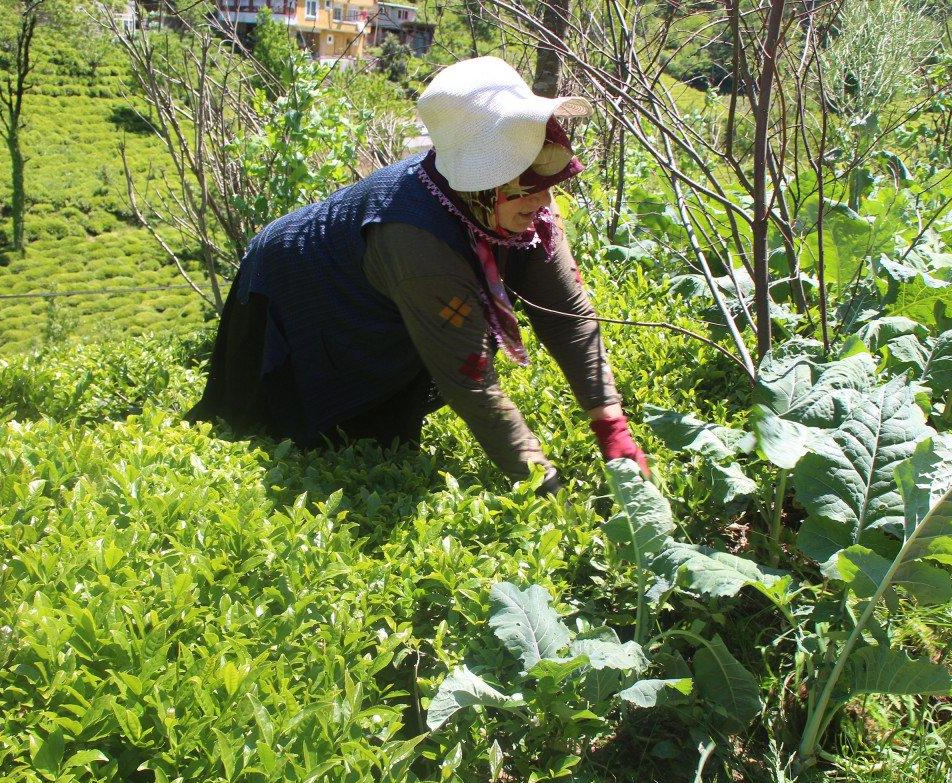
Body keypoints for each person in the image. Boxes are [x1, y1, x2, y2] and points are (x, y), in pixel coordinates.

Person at [185, 56, 649, 492]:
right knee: (295, 433)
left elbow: (566, 314)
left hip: (386, 282)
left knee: (386, 436)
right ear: (482, 189)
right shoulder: (415, 240)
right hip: (293, 285)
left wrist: (611, 424)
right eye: (526, 191)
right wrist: (544, 485)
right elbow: (471, 378)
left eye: (549, 185)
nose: (543, 203)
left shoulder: (530, 215)